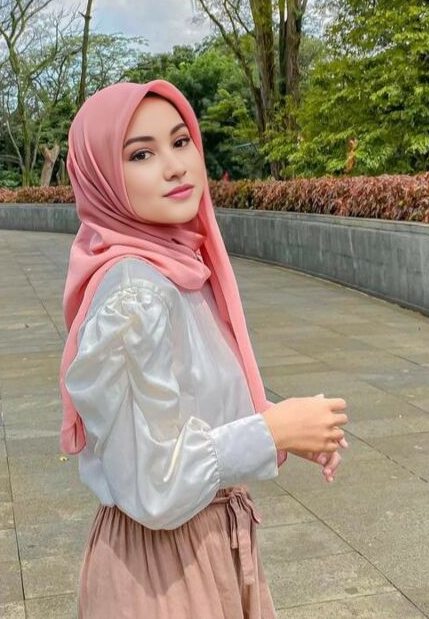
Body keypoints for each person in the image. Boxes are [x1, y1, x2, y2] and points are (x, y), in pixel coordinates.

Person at [58, 79, 348, 619]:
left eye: (180, 141)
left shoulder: (180, 268)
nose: (175, 167)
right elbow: (154, 482)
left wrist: (282, 423)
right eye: (141, 154)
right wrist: (271, 432)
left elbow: (189, 406)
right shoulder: (135, 294)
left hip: (207, 548)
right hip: (161, 572)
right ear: (101, 179)